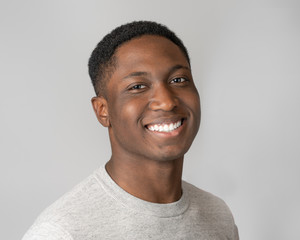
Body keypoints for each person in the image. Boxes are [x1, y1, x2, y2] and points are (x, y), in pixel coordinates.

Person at [22, 21, 239, 240]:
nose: (166, 102)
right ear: (103, 111)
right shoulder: (62, 232)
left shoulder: (218, 216)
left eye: (178, 80)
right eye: (137, 87)